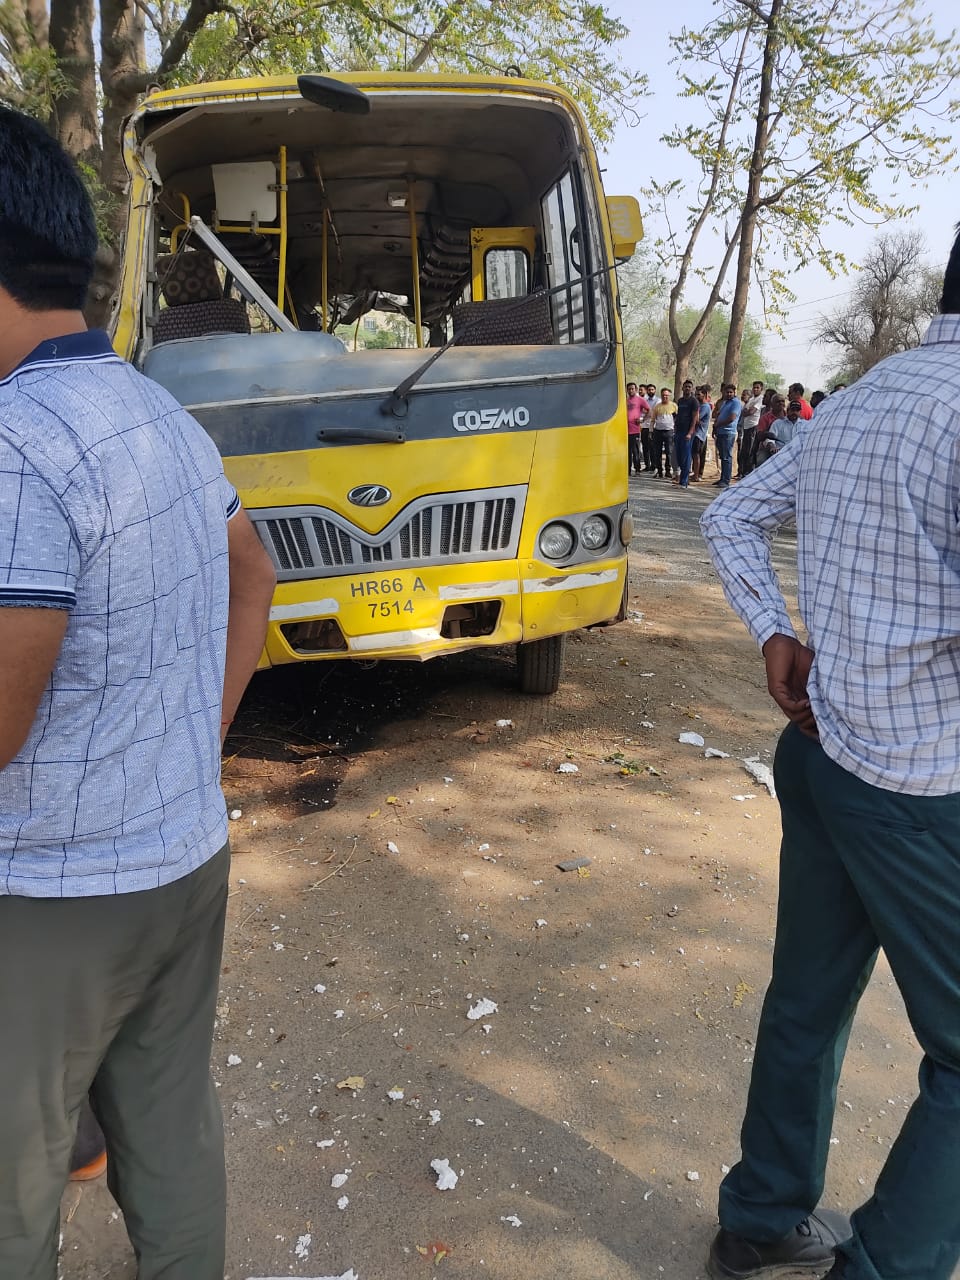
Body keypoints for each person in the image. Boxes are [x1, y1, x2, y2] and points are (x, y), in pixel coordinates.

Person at [0, 106, 278, 1279]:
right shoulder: (155, 409)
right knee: (169, 1129)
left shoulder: (15, 440)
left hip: (51, 890)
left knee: (10, 1179)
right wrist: (191, 745)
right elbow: (254, 568)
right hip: (181, 853)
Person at [698, 223, 960, 1280]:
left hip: (826, 757)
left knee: (806, 999)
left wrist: (776, 628)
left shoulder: (859, 399)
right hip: (921, 785)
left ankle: (761, 1215)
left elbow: (729, 515)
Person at [712, 383, 742, 488]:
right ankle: (722, 478)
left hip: (728, 433)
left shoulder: (736, 403)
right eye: (727, 392)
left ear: (734, 393)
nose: (729, 394)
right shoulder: (725, 402)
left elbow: (732, 418)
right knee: (722, 456)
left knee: (726, 457)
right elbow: (718, 414)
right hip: (720, 432)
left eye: (731, 392)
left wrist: (719, 424)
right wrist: (715, 427)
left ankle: (726, 480)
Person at [755, 399, 802, 466]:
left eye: (797, 410)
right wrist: (772, 446)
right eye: (792, 410)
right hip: (779, 454)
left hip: (797, 455)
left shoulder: (805, 425)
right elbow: (770, 439)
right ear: (787, 411)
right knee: (761, 460)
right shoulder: (778, 423)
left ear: (800, 412)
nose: (794, 412)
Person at [673, 378, 699, 488]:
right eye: (686, 386)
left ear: (691, 389)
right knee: (678, 456)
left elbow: (694, 418)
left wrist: (690, 432)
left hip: (687, 432)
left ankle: (684, 482)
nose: (687, 388)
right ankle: (680, 480)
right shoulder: (680, 401)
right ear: (682, 388)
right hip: (679, 431)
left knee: (686, 456)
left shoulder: (694, 401)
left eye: (689, 387)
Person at [738, 380, 764, 478]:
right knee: (744, 451)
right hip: (746, 427)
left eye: (757, 387)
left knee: (750, 451)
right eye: (754, 387)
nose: (755, 389)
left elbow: (751, 412)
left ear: (761, 389)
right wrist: (747, 411)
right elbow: (744, 411)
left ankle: (749, 473)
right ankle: (743, 472)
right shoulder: (751, 399)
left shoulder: (760, 399)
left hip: (754, 426)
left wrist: (747, 411)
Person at [650, 386, 678, 478]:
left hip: (669, 432)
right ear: (661, 396)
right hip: (658, 431)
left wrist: (676, 430)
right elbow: (653, 420)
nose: (665, 397)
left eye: (666, 395)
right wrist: (651, 431)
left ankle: (668, 470)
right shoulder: (657, 407)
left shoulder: (674, 406)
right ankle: (659, 470)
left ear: (669, 396)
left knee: (669, 452)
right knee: (657, 452)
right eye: (663, 395)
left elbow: (677, 419)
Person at [691, 384, 712, 482]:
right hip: (695, 433)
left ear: (704, 395)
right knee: (694, 454)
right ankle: (694, 473)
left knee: (696, 455)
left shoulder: (705, 407)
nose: (697, 396)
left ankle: (696, 475)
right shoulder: (699, 406)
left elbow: (697, 419)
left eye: (699, 395)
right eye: (696, 395)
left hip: (699, 434)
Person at [626, 380, 644, 475]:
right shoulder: (625, 400)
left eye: (632, 389)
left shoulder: (640, 400)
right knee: (627, 451)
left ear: (636, 389)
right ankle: (628, 470)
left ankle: (637, 469)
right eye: (629, 389)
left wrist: (642, 419)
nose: (631, 390)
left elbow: (649, 410)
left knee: (635, 450)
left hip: (635, 430)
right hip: (625, 430)